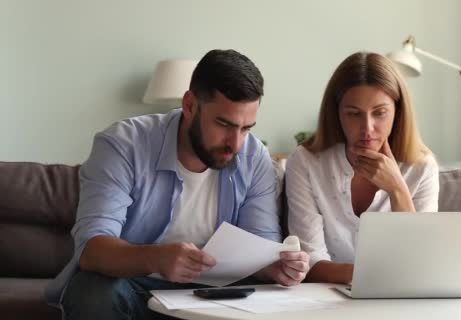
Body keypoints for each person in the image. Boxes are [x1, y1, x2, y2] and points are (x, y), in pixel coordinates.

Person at [45, 49, 310, 320]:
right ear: (190, 105)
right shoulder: (123, 145)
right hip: (133, 285)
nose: (235, 143)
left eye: (246, 128)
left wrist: (276, 266)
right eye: (223, 123)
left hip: (214, 295)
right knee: (93, 293)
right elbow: (92, 250)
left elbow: (260, 247)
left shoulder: (253, 157)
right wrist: (155, 258)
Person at [285, 51, 439, 284]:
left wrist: (397, 189)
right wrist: (372, 277)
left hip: (400, 298)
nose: (367, 128)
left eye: (380, 113)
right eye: (354, 114)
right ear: (337, 113)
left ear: (398, 112)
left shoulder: (421, 166)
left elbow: (424, 263)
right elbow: (310, 261)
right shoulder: (306, 161)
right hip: (326, 296)